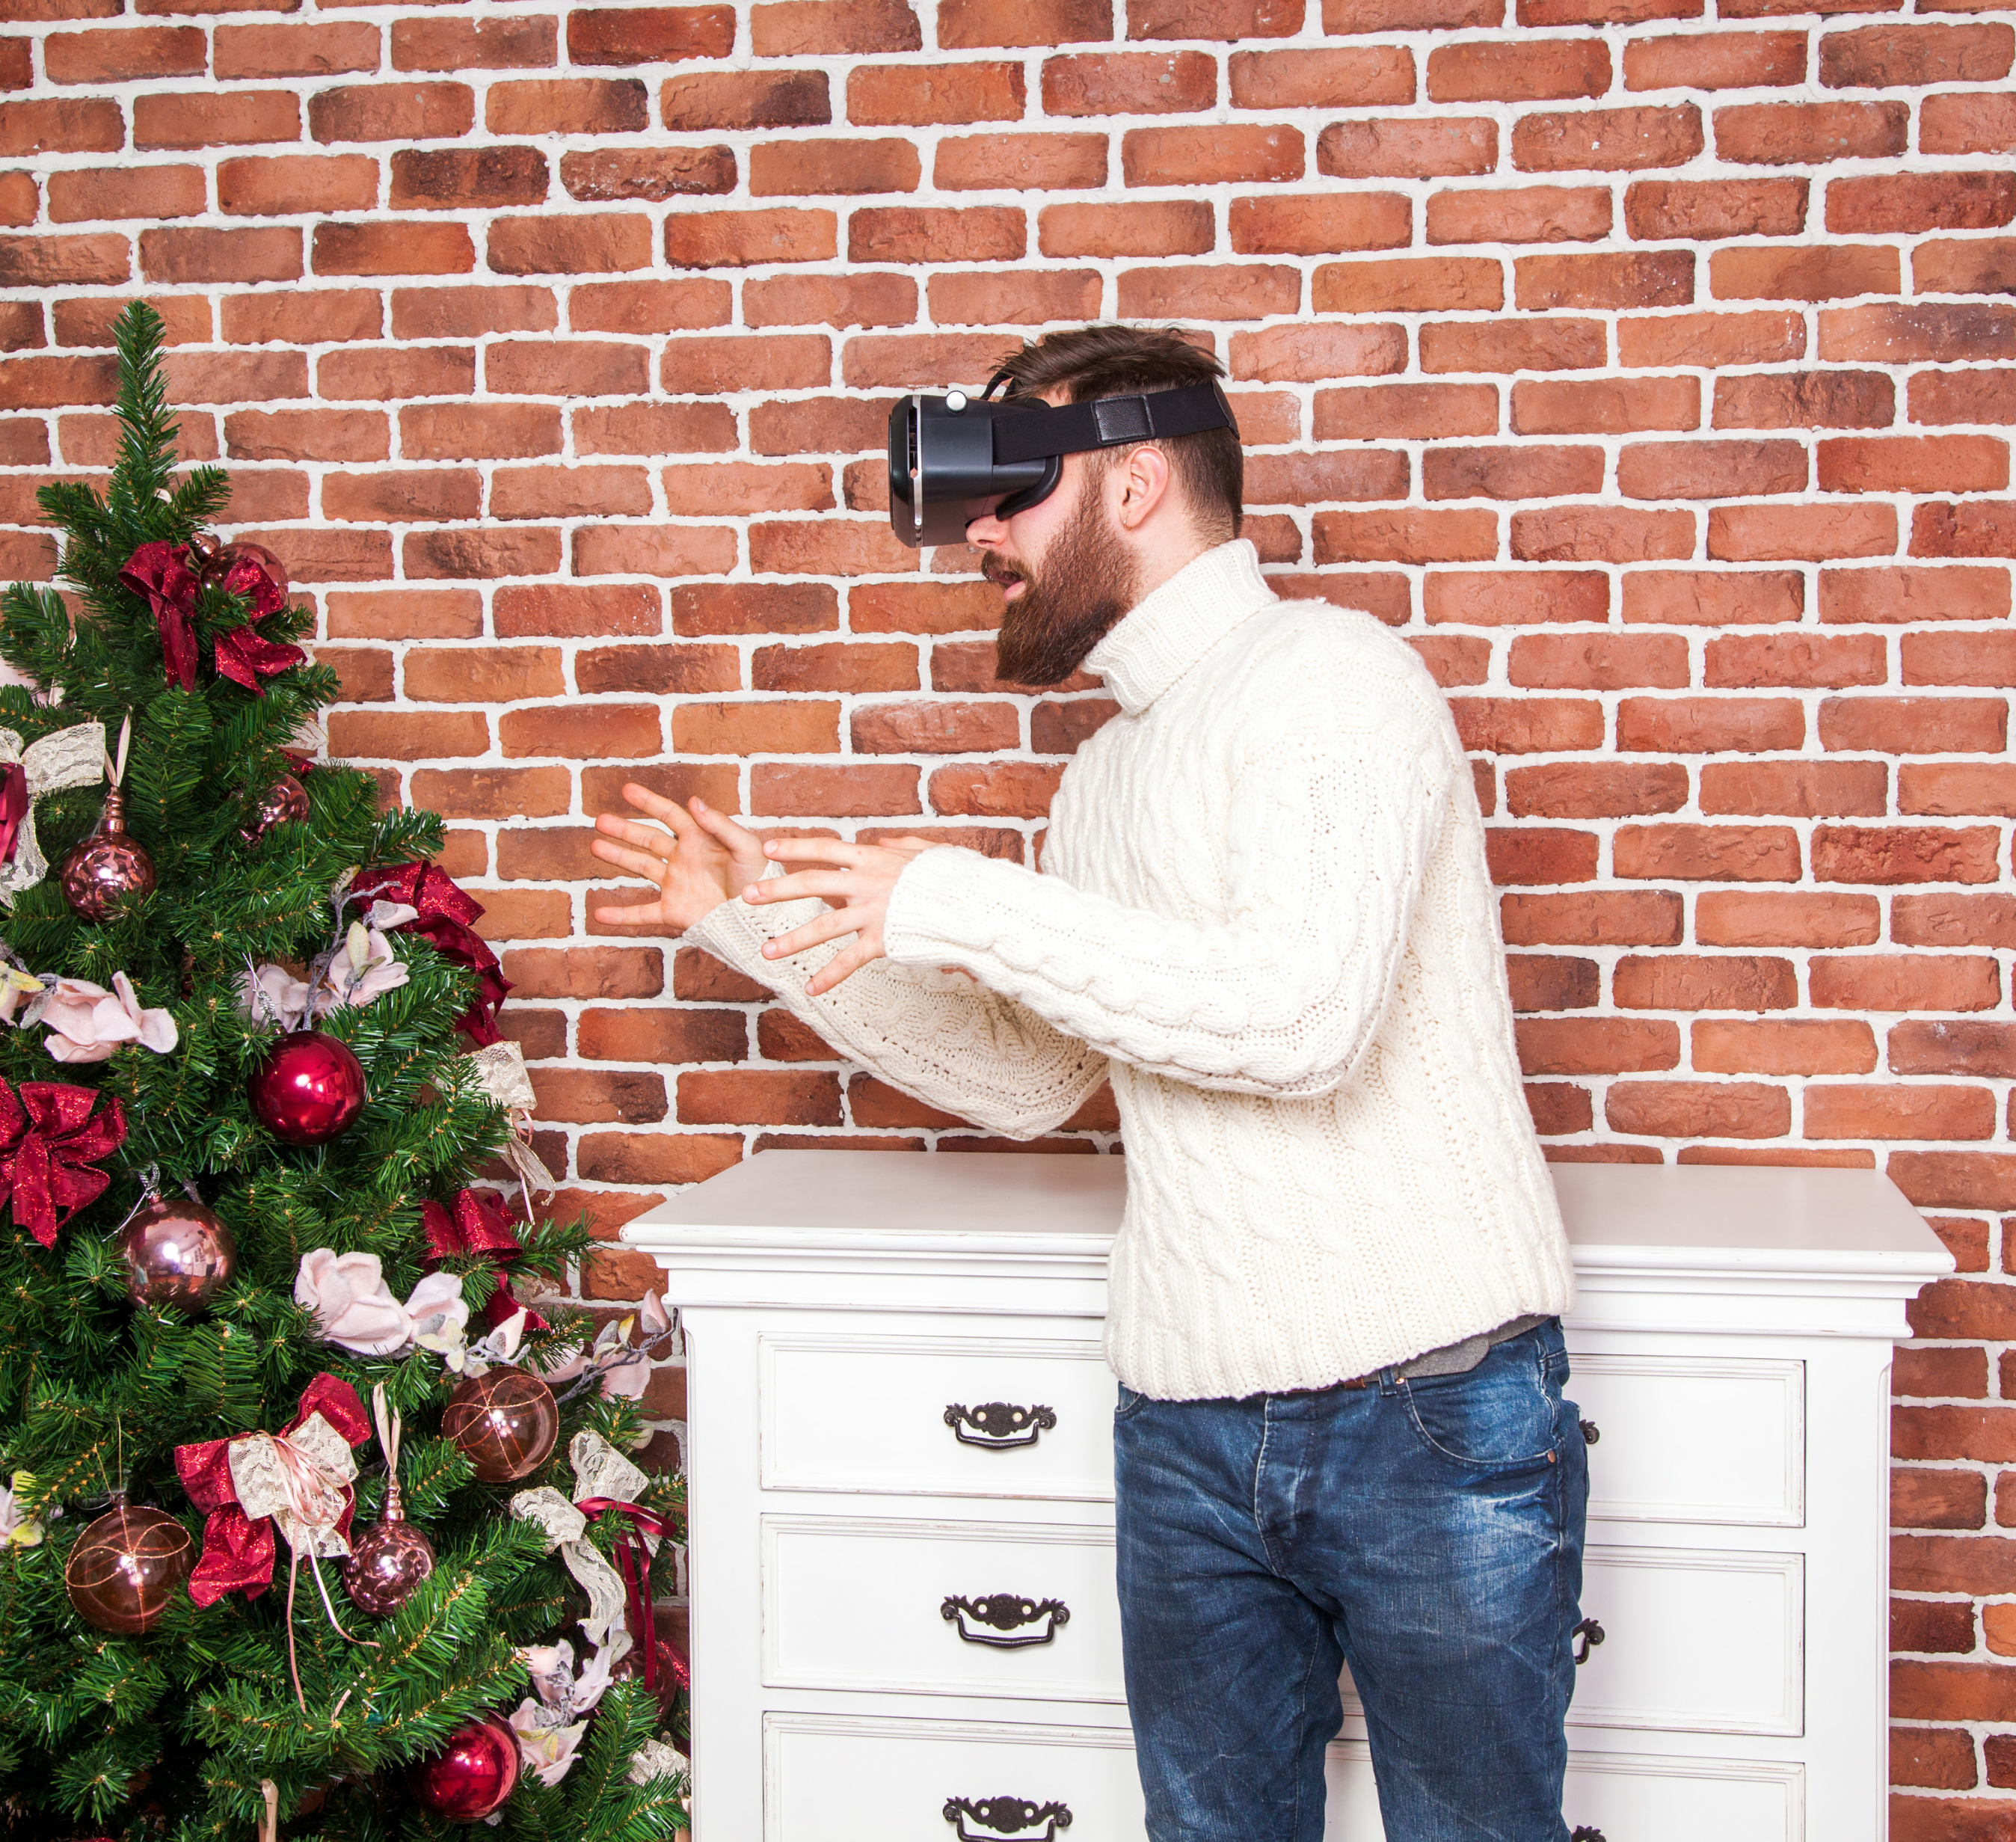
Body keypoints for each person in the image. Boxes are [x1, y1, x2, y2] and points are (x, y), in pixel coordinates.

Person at [590, 323, 1586, 1842]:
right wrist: (767, 929)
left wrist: (958, 895)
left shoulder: (1330, 677)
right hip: (1183, 1421)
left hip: (1425, 1406)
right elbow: (1038, 1080)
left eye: (1010, 487)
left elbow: (1298, 1013)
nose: (977, 532)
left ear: (1133, 481)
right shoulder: (1106, 775)